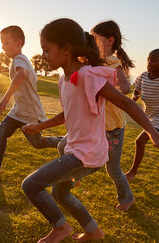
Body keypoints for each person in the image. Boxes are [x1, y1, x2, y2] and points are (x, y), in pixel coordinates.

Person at [21, 18, 159, 243]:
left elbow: (126, 103)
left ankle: (60, 227)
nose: (44, 55)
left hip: (86, 153)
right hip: (76, 149)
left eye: (47, 50)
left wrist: (152, 132)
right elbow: (68, 114)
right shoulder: (64, 80)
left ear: (66, 49)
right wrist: (40, 126)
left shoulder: (88, 75)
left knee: (31, 184)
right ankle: (94, 231)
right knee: (60, 193)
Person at [57, 20, 135, 211]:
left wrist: (106, 91)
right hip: (93, 125)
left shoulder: (113, 63)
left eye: (94, 38)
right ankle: (74, 177)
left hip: (112, 127)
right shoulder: (91, 61)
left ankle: (127, 199)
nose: (91, 41)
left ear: (109, 40)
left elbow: (125, 87)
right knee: (63, 145)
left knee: (112, 168)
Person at [0, 25, 61, 175]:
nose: (3, 47)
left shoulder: (19, 59)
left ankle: (65, 142)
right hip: (18, 111)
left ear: (19, 43)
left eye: (7, 43)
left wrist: (5, 98)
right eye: (2, 43)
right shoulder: (22, 60)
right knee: (1, 132)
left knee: (38, 143)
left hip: (30, 113)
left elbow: (20, 75)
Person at [125, 49, 159, 181]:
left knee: (140, 141)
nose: (150, 62)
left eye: (154, 60)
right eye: (149, 59)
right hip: (149, 117)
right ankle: (133, 173)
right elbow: (136, 90)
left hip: (158, 118)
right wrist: (133, 99)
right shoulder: (144, 76)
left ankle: (132, 173)